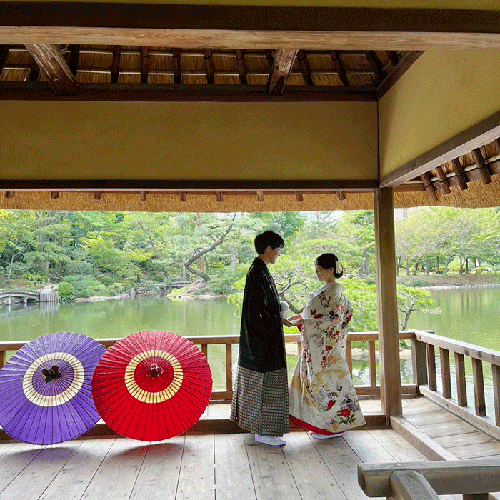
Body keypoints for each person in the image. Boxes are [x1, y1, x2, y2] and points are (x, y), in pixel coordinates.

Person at [288, 253, 365, 439]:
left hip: (326, 349)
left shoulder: (335, 293)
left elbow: (332, 322)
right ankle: (323, 426)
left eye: (319, 269)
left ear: (331, 269)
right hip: (318, 346)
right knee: (320, 387)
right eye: (316, 269)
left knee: (328, 388)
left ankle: (332, 428)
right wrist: (302, 319)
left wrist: (305, 323)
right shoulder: (326, 290)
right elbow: (318, 317)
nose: (317, 272)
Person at [230, 230, 294, 446]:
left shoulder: (259, 270)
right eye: (277, 250)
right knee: (265, 385)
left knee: (262, 385)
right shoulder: (257, 273)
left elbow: (263, 305)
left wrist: (278, 308)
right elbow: (257, 312)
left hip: (261, 340)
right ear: (268, 249)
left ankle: (261, 430)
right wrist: (279, 316)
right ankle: (263, 432)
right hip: (261, 342)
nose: (278, 254)